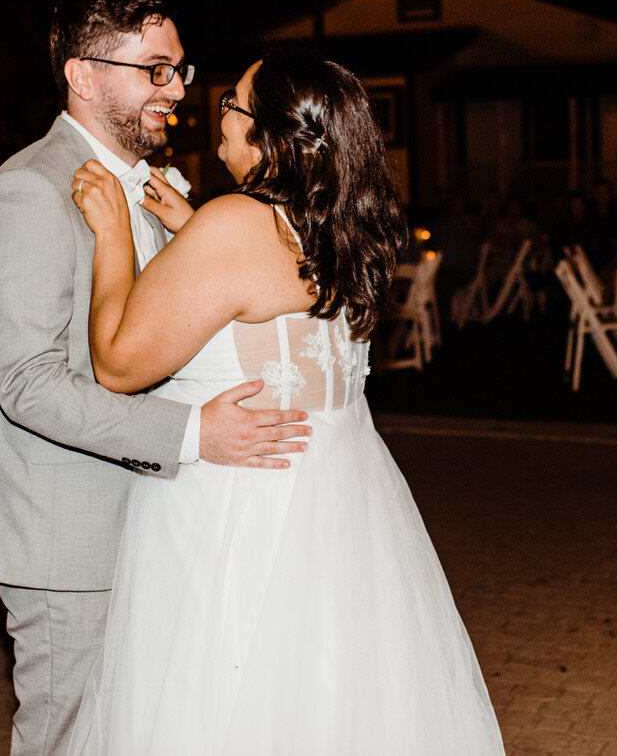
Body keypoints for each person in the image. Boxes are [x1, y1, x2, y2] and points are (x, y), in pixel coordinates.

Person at [66, 50, 504, 753]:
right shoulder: (343, 227)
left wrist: (114, 233)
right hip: (342, 508)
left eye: (234, 104)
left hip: (238, 514)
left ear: (273, 136)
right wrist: (194, 230)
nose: (221, 112)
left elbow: (117, 362)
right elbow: (274, 302)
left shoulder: (234, 224)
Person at [0, 0, 313, 756]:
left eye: (181, 70)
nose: (178, 89)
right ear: (83, 76)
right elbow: (30, 386)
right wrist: (195, 435)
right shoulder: (26, 191)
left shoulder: (165, 190)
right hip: (70, 537)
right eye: (155, 69)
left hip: (165, 528)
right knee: (67, 738)